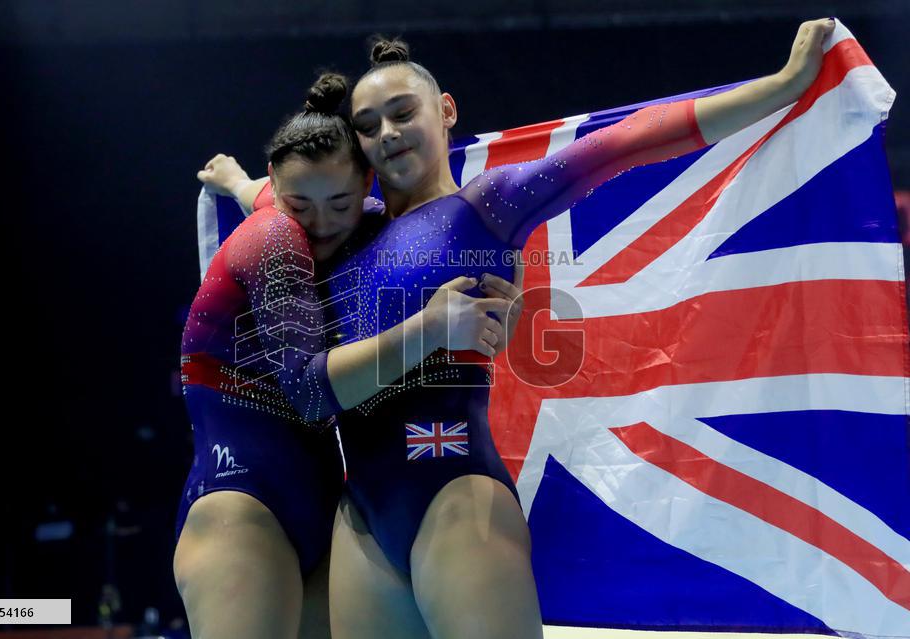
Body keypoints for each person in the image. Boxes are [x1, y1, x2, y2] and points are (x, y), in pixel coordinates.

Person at [326, 19, 835, 639]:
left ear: (446, 109)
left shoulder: (488, 204)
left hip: (452, 496)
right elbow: (283, 195)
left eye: (403, 113)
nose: (387, 134)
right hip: (361, 514)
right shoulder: (346, 224)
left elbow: (625, 144)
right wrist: (236, 186)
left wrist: (782, 85)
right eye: (368, 124)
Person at [173, 72, 521, 639]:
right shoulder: (274, 236)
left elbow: (325, 205)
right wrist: (432, 328)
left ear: (366, 189)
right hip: (240, 508)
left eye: (341, 204)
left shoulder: (357, 231)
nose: (321, 225)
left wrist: (505, 291)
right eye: (297, 206)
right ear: (277, 194)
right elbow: (312, 394)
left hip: (332, 511)